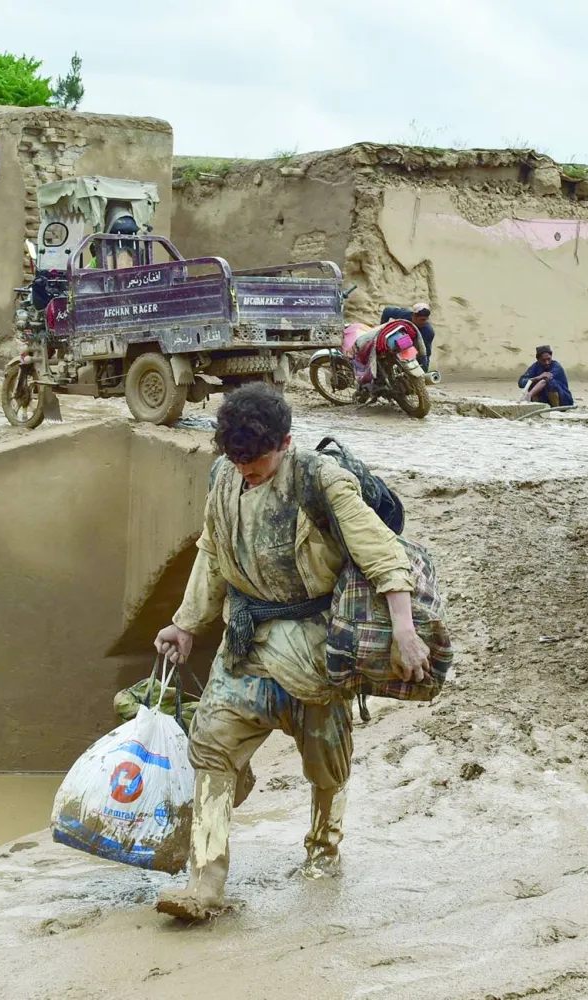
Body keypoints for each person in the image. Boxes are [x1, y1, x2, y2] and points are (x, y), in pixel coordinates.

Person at [152, 384, 430, 921]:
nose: (247, 470)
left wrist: (404, 629)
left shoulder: (321, 480)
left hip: (315, 653)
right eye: (236, 460)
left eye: (256, 460)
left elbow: (382, 554)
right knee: (209, 744)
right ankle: (204, 884)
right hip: (245, 646)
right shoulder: (224, 477)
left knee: (326, 765)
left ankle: (323, 852)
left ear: (286, 442)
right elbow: (212, 553)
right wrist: (185, 624)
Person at [380, 302, 435, 371]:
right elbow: (387, 311)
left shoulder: (428, 332)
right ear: (414, 315)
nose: (424, 322)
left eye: (426, 319)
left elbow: (425, 353)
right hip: (399, 339)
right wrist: (382, 328)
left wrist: (424, 370)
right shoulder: (404, 315)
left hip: (414, 346)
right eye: (422, 319)